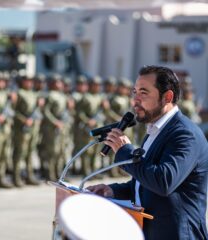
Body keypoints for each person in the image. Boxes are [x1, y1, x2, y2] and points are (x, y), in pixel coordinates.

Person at [87, 65, 208, 240]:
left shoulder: (185, 134)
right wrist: (112, 191)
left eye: (143, 93)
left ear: (167, 97)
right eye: (134, 92)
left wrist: (125, 152)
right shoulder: (155, 130)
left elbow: (163, 181)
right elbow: (144, 183)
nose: (135, 100)